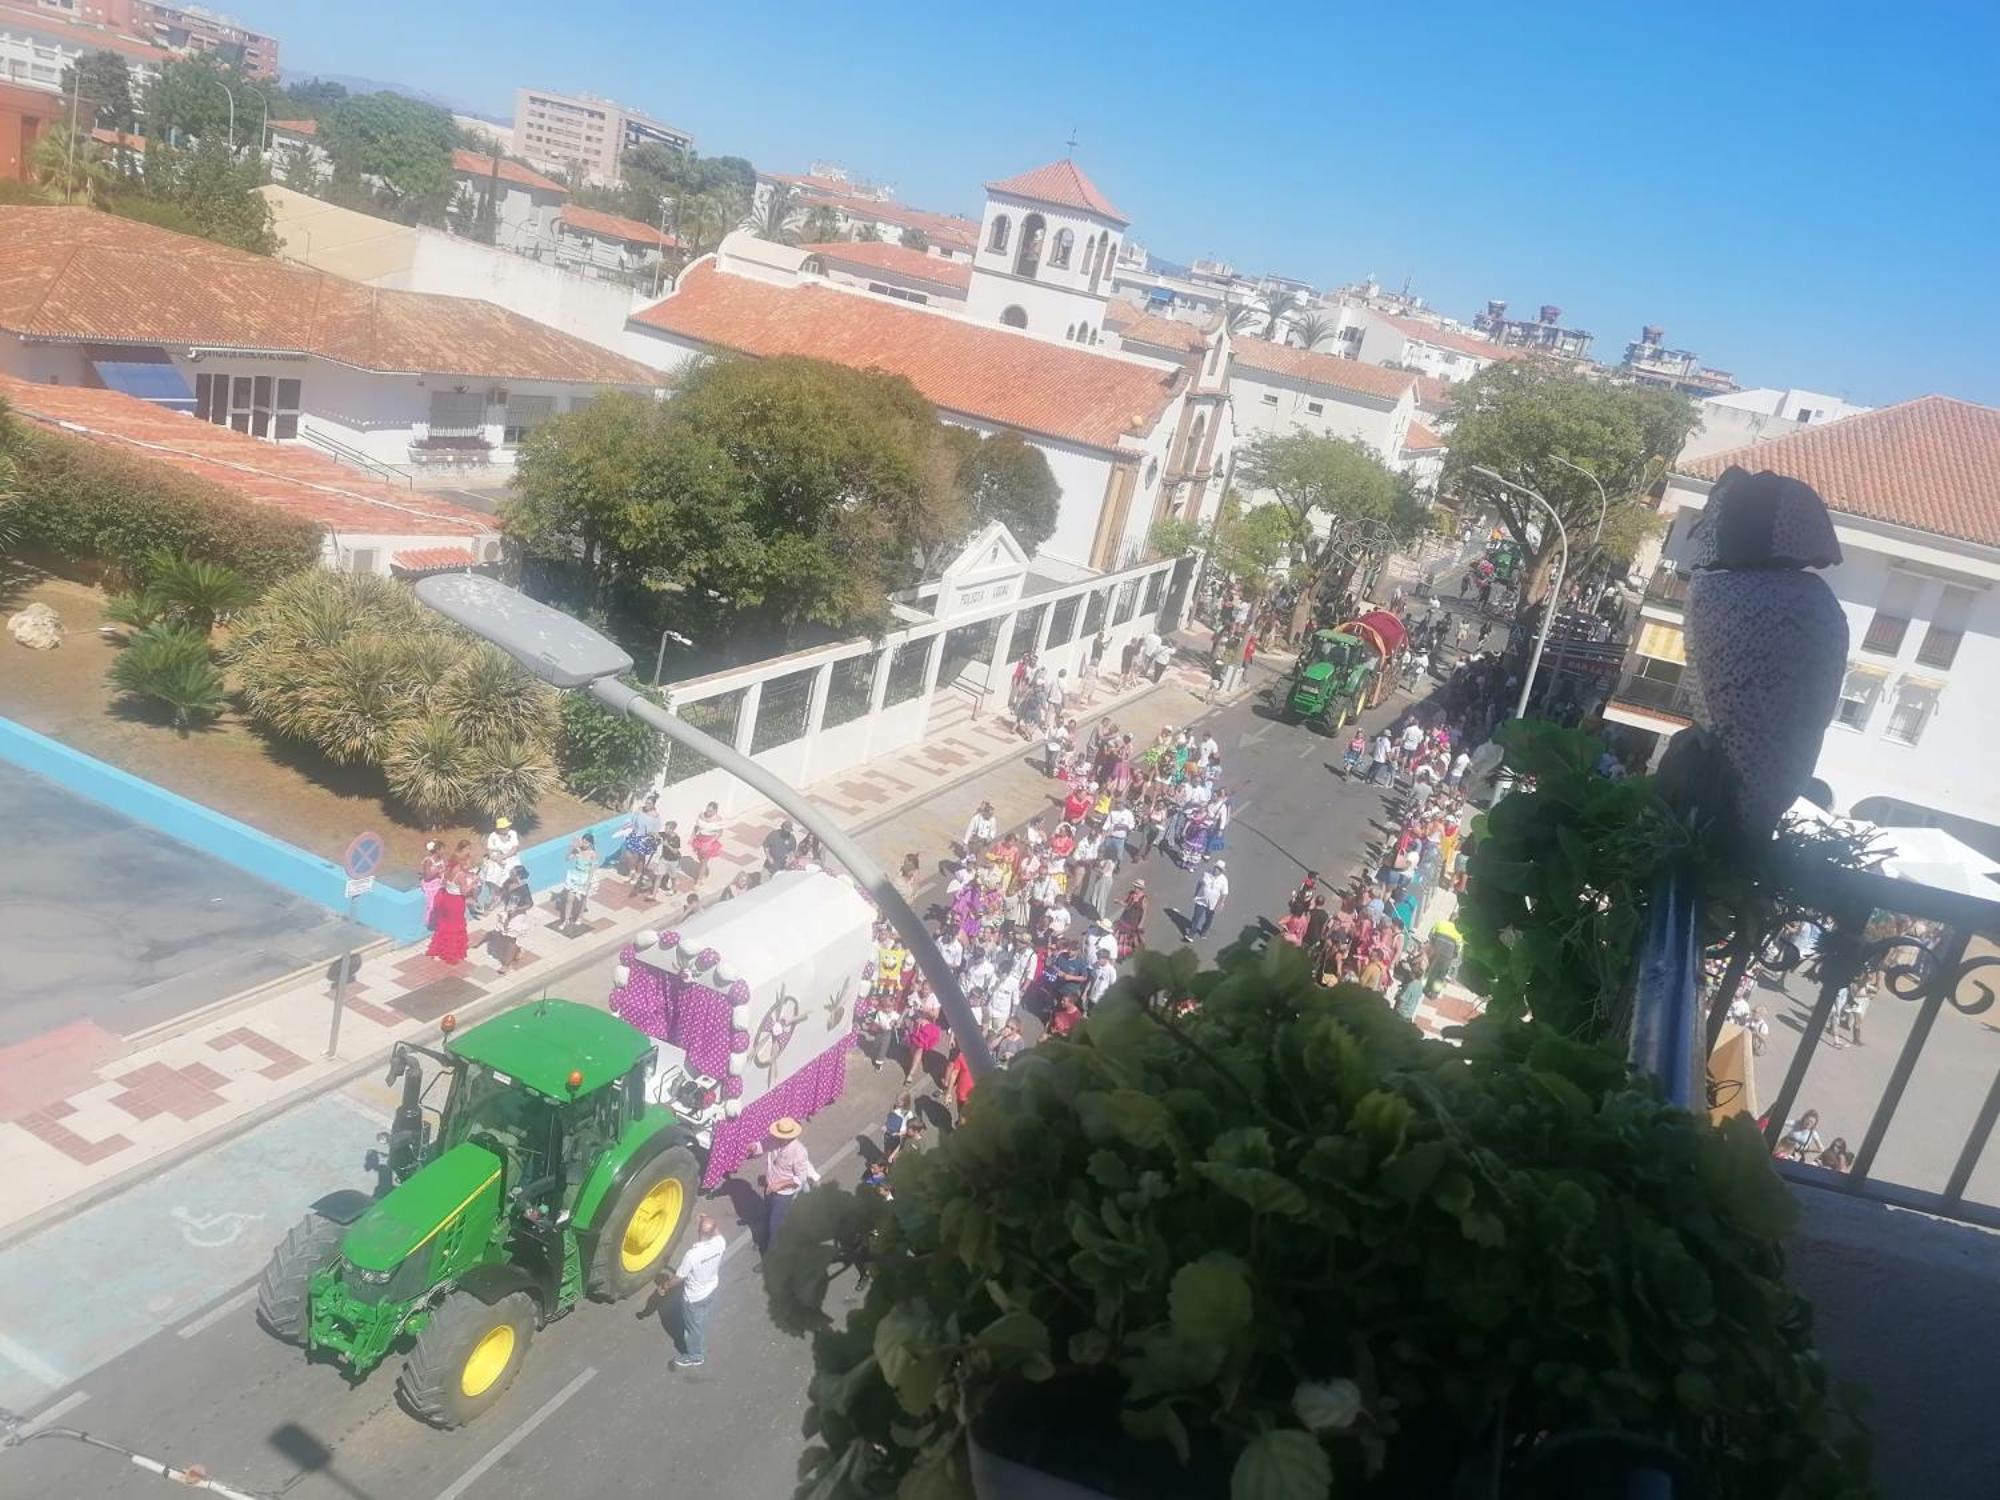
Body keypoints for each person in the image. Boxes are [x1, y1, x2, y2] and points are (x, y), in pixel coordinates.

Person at [656, 1213, 724, 1370]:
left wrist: (665, 1286)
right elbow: (717, 1231)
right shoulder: (720, 1243)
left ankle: (695, 1356)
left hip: (694, 1298)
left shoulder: (692, 1255)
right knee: (700, 1318)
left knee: (692, 1329)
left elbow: (678, 1278)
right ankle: (699, 1327)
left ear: (699, 1232)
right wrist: (708, 1219)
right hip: (711, 1288)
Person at [763, 1117, 820, 1242]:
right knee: (769, 1213)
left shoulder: (799, 1152)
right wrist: (754, 1147)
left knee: (775, 1225)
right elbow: (762, 1145)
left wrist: (780, 1185)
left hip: (783, 1194)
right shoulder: (774, 1140)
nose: (777, 1137)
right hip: (769, 1186)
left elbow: (801, 1177)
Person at [427, 856, 471, 964]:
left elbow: (443, 884)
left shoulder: (447, 872)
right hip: (456, 902)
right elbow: (464, 892)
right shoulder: (460, 875)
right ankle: (450, 953)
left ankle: (437, 951)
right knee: (455, 926)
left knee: (444, 925)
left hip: (446, 899)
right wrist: (472, 884)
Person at [560, 832, 599, 928]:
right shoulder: (577, 850)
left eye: (586, 842)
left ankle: (580, 917)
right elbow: (567, 859)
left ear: (590, 843)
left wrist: (587, 883)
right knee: (569, 899)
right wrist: (572, 848)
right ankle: (566, 920)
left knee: (583, 899)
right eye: (583, 842)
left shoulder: (593, 854)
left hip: (585, 877)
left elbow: (591, 871)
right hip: (575, 876)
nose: (584, 844)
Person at [1188, 860, 1229, 939]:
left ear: (1222, 871)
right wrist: (1195, 894)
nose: (1217, 870)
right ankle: (1191, 934)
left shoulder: (1224, 880)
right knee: (1196, 917)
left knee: (1208, 920)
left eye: (1219, 869)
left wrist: (1221, 903)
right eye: (1216, 868)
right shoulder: (1206, 874)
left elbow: (1224, 893)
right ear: (1214, 867)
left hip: (1213, 904)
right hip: (1201, 900)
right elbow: (1199, 884)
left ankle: (1204, 932)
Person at [690, 802, 725, 886]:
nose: (708, 812)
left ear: (715, 811)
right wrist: (692, 836)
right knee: (700, 858)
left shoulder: (718, 820)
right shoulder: (702, 815)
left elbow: (720, 833)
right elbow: (696, 826)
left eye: (710, 811)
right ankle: (704, 868)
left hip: (709, 841)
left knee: (704, 861)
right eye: (707, 810)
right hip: (699, 839)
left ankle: (699, 880)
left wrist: (709, 843)